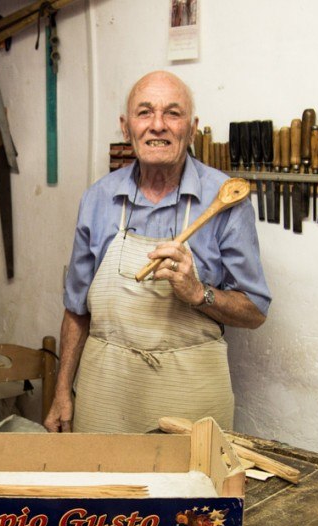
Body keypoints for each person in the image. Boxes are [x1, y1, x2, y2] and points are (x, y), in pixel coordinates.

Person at [44, 70, 271, 434]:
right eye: (145, 112)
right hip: (106, 394)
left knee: (192, 490)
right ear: (126, 126)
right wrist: (61, 392)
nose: (158, 125)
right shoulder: (98, 199)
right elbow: (76, 309)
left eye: (173, 113)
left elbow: (255, 311)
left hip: (191, 398)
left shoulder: (225, 200)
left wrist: (199, 294)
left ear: (192, 128)